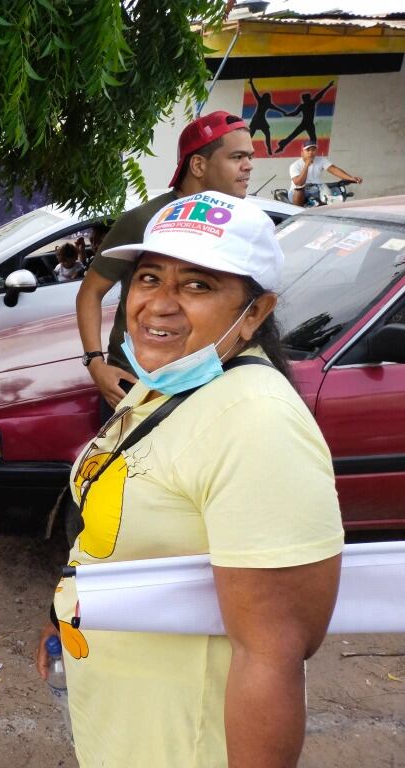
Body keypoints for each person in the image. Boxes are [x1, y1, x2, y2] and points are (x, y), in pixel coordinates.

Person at [36, 191, 344, 767]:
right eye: (149, 277)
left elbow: (271, 656)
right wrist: (67, 616)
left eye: (197, 285)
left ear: (254, 312)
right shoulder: (173, 380)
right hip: (127, 724)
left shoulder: (257, 423)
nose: (158, 304)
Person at [76, 111, 254, 423]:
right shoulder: (145, 220)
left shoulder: (242, 224)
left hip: (209, 387)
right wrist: (95, 363)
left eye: (250, 157)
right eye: (237, 157)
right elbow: (90, 292)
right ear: (198, 165)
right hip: (138, 387)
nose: (248, 166)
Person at [289, 142, 362, 207]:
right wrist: (307, 165)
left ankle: (323, 202)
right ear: (302, 152)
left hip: (317, 188)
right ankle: (315, 202)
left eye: (313, 150)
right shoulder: (295, 165)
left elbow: (334, 170)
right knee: (302, 190)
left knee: (329, 193)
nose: (311, 152)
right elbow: (299, 183)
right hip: (297, 192)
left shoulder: (321, 160)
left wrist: (350, 178)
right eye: (308, 150)